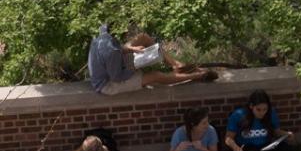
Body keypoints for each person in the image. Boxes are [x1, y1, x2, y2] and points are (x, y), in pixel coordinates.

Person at [87, 25, 216, 95]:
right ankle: (197, 75)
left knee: (143, 37)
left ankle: (176, 64)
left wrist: (131, 48)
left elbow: (115, 47)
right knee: (156, 76)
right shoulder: (112, 52)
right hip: (108, 83)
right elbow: (117, 77)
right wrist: (136, 67)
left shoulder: (104, 34)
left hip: (113, 64)